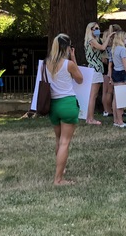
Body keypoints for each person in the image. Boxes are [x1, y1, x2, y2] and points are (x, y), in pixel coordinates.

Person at [46, 34, 84, 185]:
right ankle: (58, 179)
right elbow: (80, 79)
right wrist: (73, 58)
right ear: (67, 48)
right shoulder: (69, 64)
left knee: (58, 140)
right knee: (65, 142)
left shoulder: (46, 63)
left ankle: (61, 170)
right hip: (67, 103)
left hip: (53, 105)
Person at [83, 22, 114, 125]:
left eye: (98, 28)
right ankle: (91, 119)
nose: (98, 30)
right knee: (93, 95)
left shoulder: (95, 40)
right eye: (95, 28)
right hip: (95, 69)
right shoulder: (91, 41)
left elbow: (106, 44)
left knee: (92, 95)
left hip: (95, 69)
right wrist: (108, 36)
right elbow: (102, 47)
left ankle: (89, 118)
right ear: (90, 30)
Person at [110, 29, 126, 128]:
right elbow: (125, 64)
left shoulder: (114, 49)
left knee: (116, 98)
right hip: (122, 73)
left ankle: (116, 120)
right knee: (120, 99)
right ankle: (120, 121)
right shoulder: (123, 49)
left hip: (115, 72)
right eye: (125, 37)